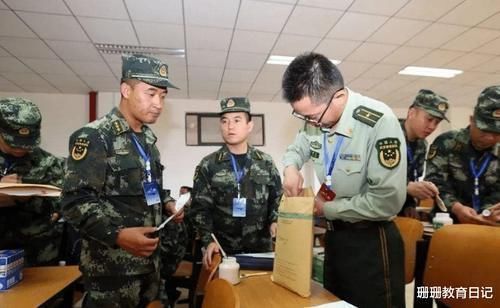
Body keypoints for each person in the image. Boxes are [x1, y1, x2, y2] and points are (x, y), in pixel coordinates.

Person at [281, 52, 406, 308]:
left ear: (338, 96)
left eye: (313, 116)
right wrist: (290, 168)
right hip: (335, 239)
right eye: (302, 116)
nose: (310, 122)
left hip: (371, 242)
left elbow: (386, 201)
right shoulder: (315, 117)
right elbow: (297, 148)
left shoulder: (379, 122)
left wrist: (326, 208)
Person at [61, 54, 178, 307]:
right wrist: (118, 235)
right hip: (112, 268)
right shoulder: (94, 136)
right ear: (126, 90)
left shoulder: (148, 140)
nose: (158, 103)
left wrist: (168, 202)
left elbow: (149, 186)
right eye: (151, 93)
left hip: (150, 263)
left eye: (163, 96)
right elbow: (75, 201)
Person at [190, 97, 283, 268]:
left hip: (261, 250)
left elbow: (277, 198)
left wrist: (275, 220)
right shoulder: (209, 165)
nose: (230, 126)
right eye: (224, 121)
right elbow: (200, 210)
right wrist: (208, 241)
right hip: (223, 252)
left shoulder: (265, 162)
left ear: (249, 126)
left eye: (237, 120)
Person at [0, 97, 65, 266]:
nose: (21, 148)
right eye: (13, 143)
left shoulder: (49, 163)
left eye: (27, 143)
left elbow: (64, 201)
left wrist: (28, 200)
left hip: (37, 254)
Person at [425, 85, 500, 225]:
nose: (490, 138)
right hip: (447, 223)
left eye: (497, 134)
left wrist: (486, 214)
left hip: (489, 224)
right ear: (471, 120)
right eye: (484, 131)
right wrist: (457, 208)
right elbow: (435, 182)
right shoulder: (447, 142)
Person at [398, 89, 449, 218]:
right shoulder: (388, 134)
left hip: (399, 212)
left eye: (437, 122)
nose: (432, 127)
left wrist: (409, 205)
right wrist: (405, 187)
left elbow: (412, 177)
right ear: (412, 113)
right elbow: (373, 177)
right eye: (429, 119)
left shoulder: (422, 144)